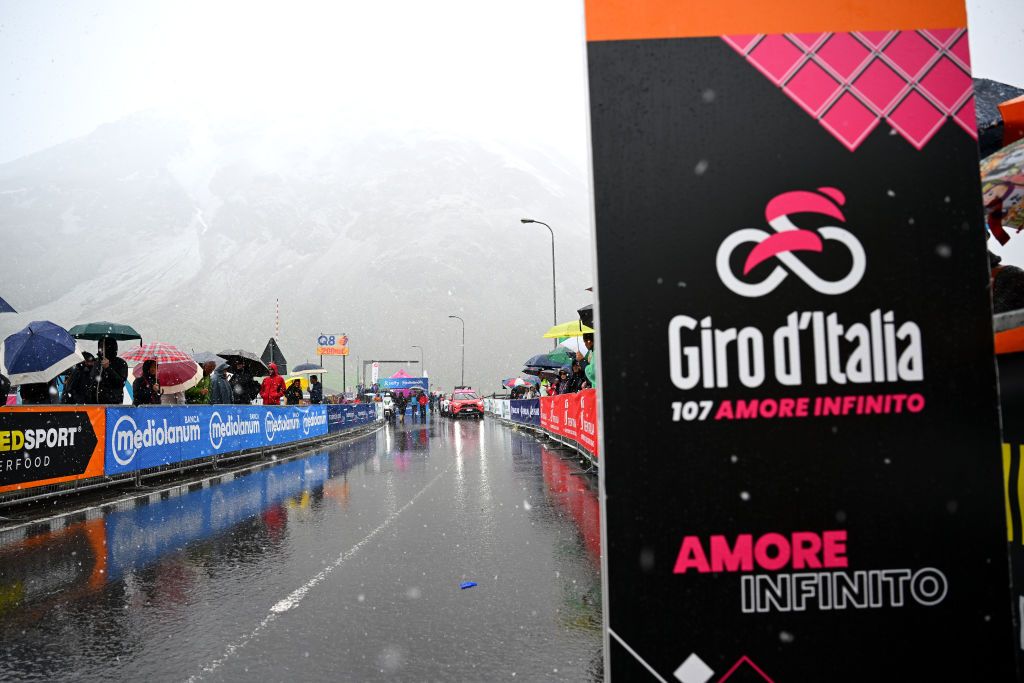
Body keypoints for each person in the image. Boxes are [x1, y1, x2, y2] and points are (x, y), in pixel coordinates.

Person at [96, 338, 129, 404]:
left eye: (104, 346)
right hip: (95, 403)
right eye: (100, 346)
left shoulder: (121, 363)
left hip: (114, 402)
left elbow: (120, 383)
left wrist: (108, 368)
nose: (102, 349)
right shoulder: (96, 362)